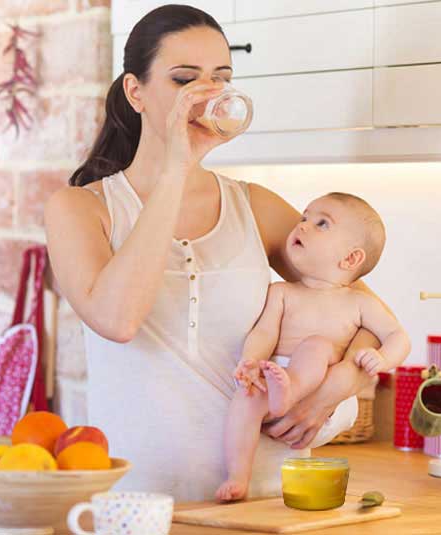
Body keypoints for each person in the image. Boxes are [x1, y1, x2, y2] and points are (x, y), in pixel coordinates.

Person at [44, 4, 395, 501]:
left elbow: (364, 313)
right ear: (136, 91)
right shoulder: (80, 209)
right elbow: (118, 320)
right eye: (185, 79)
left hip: (269, 500)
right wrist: (175, 169)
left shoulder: (253, 206)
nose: (206, 94)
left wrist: (337, 387)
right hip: (140, 503)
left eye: (221, 78)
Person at [216, 193, 411, 501]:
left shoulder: (359, 303)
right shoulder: (281, 292)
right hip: (274, 378)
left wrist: (382, 358)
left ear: (350, 259)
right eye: (304, 218)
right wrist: (251, 360)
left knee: (317, 346)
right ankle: (237, 476)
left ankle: (290, 389)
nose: (303, 225)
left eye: (322, 224)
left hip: (314, 387)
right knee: (245, 400)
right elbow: (264, 332)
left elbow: (398, 336)